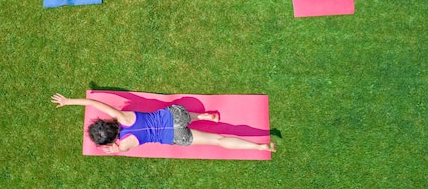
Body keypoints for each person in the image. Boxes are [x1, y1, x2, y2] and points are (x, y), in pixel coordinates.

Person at [51, 93, 276, 153]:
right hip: (175, 116)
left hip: (175, 136)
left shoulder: (124, 145)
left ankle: (259, 146)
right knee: (182, 115)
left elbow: (114, 150)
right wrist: (68, 101)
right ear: (106, 123)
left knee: (219, 140)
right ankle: (204, 116)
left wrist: (111, 148)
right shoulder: (121, 116)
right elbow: (93, 101)